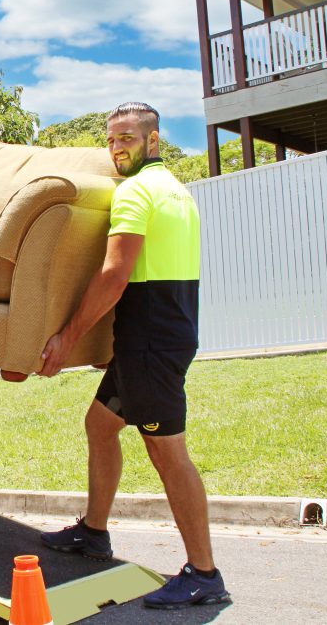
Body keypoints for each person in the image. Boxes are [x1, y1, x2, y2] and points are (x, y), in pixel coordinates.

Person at [36, 102, 229, 610]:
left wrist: (70, 337)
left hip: (151, 342)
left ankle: (204, 574)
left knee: (168, 454)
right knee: (100, 426)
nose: (118, 146)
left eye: (127, 137)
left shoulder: (135, 192)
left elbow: (114, 276)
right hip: (159, 333)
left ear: (153, 140)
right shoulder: (174, 190)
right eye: (112, 138)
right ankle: (94, 532)